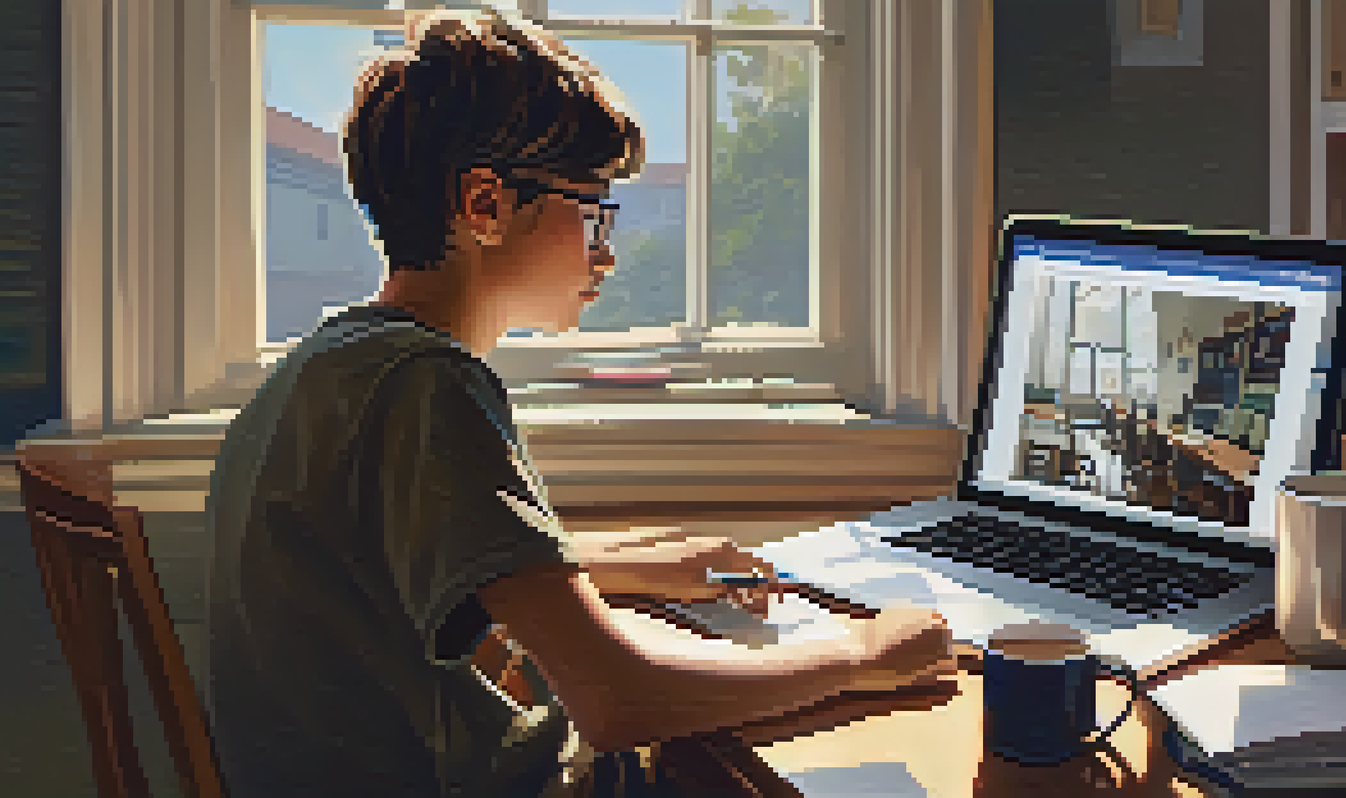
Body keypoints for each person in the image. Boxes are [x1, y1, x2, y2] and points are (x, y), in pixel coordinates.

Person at [205, 7, 955, 798]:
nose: (607, 250)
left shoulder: (334, 364)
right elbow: (617, 700)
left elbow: (398, 568)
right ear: (484, 204)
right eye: (592, 211)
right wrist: (863, 657)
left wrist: (631, 565)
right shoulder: (428, 386)